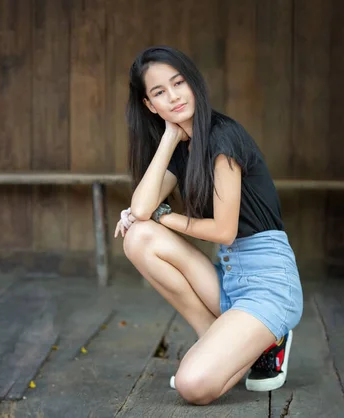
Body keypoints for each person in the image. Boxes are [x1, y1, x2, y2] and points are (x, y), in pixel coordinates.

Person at [114, 46, 303, 405]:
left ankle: (268, 338)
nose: (173, 96)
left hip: (268, 285)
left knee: (193, 386)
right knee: (138, 238)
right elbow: (140, 209)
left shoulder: (222, 138)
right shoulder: (182, 147)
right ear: (149, 105)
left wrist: (165, 216)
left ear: (193, 83)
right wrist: (169, 137)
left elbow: (224, 231)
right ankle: (221, 339)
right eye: (159, 93)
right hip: (231, 278)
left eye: (178, 83)